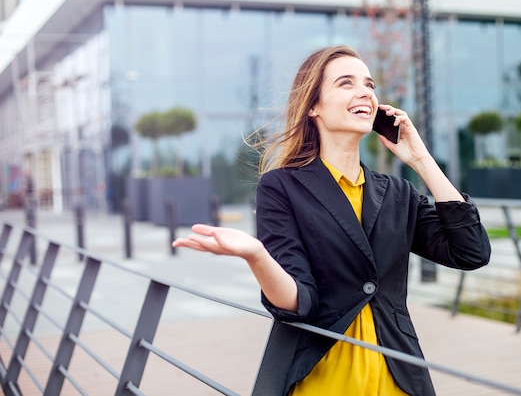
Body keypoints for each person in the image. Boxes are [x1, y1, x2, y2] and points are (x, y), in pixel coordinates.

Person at [173, 46, 491, 396]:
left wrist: (421, 160)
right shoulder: (282, 187)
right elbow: (299, 302)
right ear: (314, 106)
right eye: (346, 83)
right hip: (323, 379)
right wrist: (257, 256)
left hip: (400, 379)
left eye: (369, 85)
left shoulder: (398, 192)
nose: (365, 92)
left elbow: (470, 252)